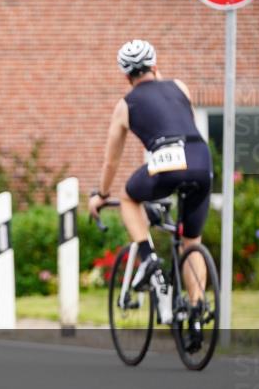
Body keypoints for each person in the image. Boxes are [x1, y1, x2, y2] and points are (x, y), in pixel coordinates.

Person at [88, 40, 212, 324]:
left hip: (168, 161)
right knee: (191, 241)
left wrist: (101, 194)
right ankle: (195, 312)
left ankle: (149, 260)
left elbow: (112, 161)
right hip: (201, 158)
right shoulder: (180, 87)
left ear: (126, 76)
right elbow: (183, 123)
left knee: (130, 197)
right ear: (155, 66)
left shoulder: (125, 105)